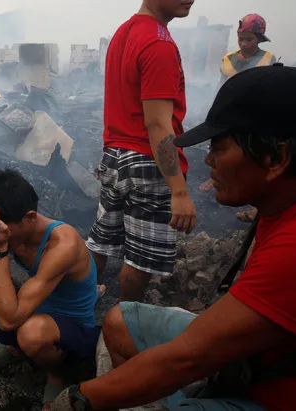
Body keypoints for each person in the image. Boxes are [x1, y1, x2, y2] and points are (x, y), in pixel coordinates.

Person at [50, 64, 296, 411]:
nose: (207, 159)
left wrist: (76, 401)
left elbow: (186, 361)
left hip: (286, 396)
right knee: (121, 322)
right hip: (254, 362)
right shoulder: (288, 203)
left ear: (275, 158)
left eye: (219, 147)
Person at [0, 169, 102, 410]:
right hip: (30, 306)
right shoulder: (8, 230)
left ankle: (56, 373)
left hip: (71, 323)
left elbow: (10, 320)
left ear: (30, 217)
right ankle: (18, 349)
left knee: (31, 334)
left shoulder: (63, 244)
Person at [87, 0, 197, 303]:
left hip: (114, 156)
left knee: (101, 243)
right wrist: (178, 192)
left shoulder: (125, 32)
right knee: (140, 262)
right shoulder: (159, 44)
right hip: (148, 163)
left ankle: (73, 310)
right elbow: (158, 125)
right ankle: (124, 323)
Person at [200, 13, 277, 216]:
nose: (244, 44)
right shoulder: (229, 60)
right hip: (230, 113)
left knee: (252, 151)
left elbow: (271, 92)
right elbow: (221, 86)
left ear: (259, 39)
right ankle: (215, 178)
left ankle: (253, 196)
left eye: (249, 39)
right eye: (241, 39)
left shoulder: (268, 60)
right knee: (221, 148)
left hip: (254, 116)